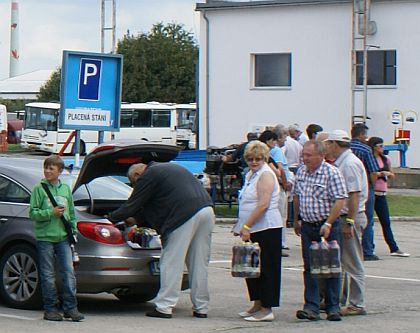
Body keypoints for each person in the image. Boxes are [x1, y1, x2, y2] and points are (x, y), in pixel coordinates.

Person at [107, 162, 215, 319]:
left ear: (136, 175)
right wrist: (134, 220)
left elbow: (133, 204)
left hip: (182, 215)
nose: (135, 185)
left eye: (133, 182)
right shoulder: (169, 168)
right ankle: (201, 307)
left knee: (171, 262)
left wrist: (110, 219)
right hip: (206, 211)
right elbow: (156, 203)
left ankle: (164, 307)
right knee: (199, 263)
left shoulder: (148, 175)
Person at [293, 140, 347, 322]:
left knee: (331, 268)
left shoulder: (332, 173)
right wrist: (297, 219)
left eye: (308, 155)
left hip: (327, 226)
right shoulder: (301, 171)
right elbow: (297, 195)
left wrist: (329, 223)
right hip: (308, 226)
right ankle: (311, 307)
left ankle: (333, 307)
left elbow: (340, 200)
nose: (304, 158)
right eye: (304, 155)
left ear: (321, 155)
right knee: (310, 268)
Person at [233, 140, 283, 322]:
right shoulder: (250, 175)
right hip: (252, 228)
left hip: (266, 227)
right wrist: (240, 226)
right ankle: (257, 302)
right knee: (251, 268)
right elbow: (246, 202)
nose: (254, 162)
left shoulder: (266, 175)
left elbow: (263, 204)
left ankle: (267, 307)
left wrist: (247, 226)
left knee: (267, 268)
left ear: (265, 158)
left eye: (258, 159)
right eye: (251, 159)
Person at [29, 155, 84, 322]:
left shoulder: (65, 189)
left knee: (68, 273)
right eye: (45, 168)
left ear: (60, 171)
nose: (47, 171)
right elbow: (33, 213)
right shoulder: (39, 189)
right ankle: (51, 308)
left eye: (51, 169)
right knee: (47, 274)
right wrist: (50, 213)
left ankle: (70, 308)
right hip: (45, 237)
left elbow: (71, 212)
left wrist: (73, 230)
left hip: (63, 238)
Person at [325, 130, 368, 316]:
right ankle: (340, 299)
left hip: (350, 216)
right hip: (345, 217)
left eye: (328, 143)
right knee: (343, 260)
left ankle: (357, 303)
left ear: (335, 144)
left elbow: (354, 195)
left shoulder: (349, 164)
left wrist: (349, 221)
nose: (326, 147)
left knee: (352, 261)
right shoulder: (343, 162)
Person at [367, 136, 410, 257]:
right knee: (368, 222)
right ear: (374, 147)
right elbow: (371, 175)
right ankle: (369, 247)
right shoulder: (370, 159)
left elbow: (392, 174)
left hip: (382, 193)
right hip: (372, 192)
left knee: (385, 221)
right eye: (380, 146)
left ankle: (393, 247)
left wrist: (388, 174)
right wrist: (379, 173)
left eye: (383, 145)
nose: (382, 148)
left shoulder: (386, 159)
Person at [350, 123, 380, 261]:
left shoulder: (346, 148)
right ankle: (367, 250)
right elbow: (373, 171)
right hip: (364, 187)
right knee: (367, 220)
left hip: (347, 189)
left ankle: (350, 248)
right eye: (365, 134)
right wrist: (372, 186)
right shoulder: (366, 149)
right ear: (361, 134)